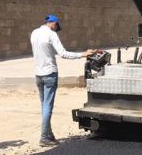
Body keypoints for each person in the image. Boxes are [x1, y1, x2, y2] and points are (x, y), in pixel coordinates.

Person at [30, 14, 96, 147]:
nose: (56, 29)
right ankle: (44, 137)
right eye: (56, 26)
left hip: (38, 74)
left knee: (44, 105)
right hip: (50, 74)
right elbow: (63, 53)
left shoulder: (34, 33)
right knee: (48, 106)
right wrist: (83, 54)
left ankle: (49, 134)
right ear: (53, 23)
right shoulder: (51, 34)